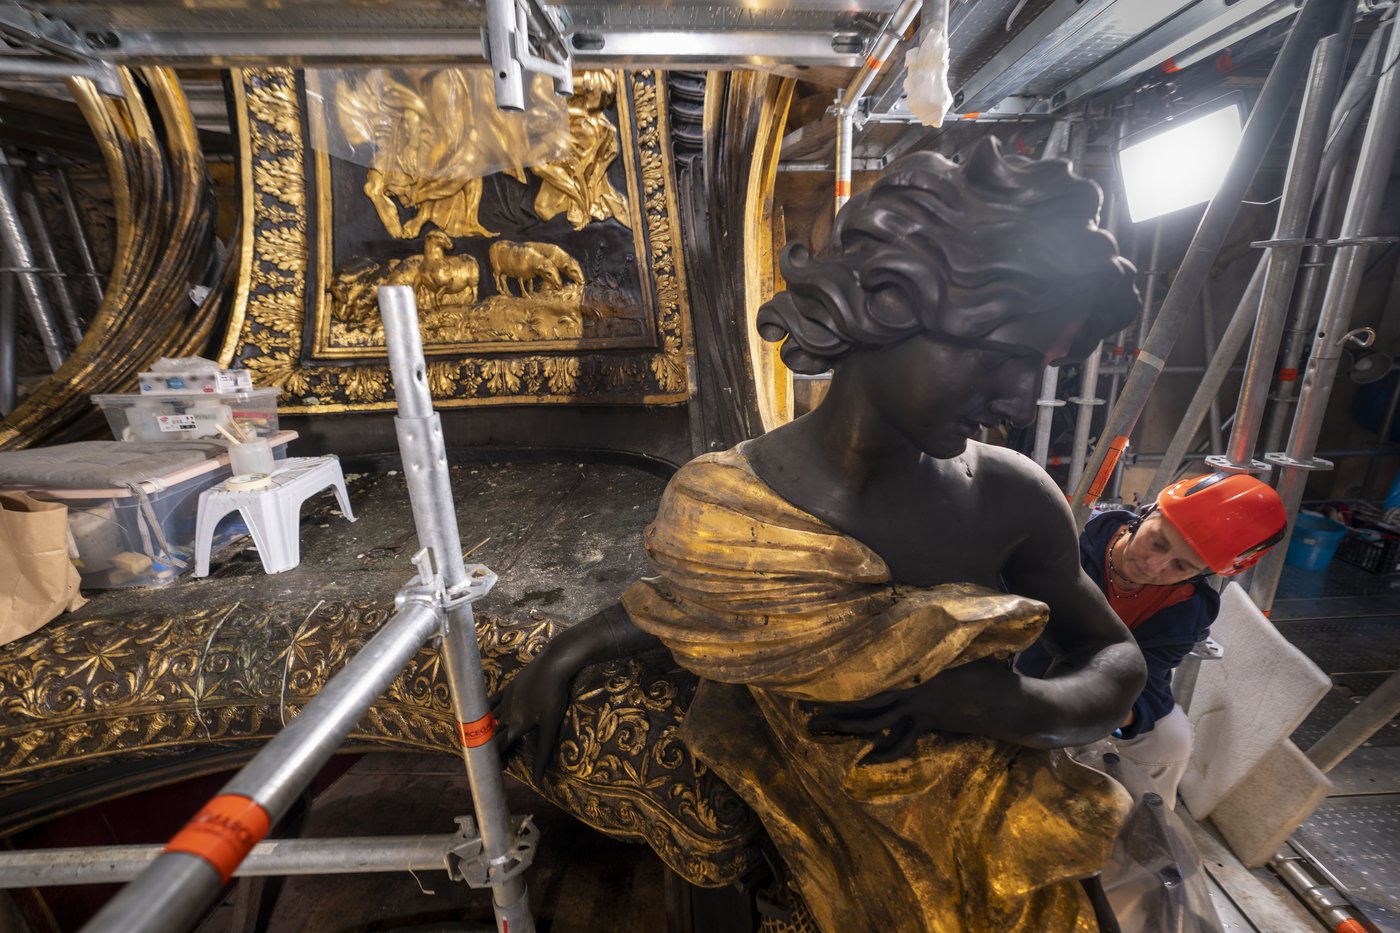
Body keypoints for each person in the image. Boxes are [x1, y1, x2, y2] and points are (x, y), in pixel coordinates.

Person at [496, 137, 1146, 932]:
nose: (1018, 397)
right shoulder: (725, 502)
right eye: (998, 356)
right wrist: (566, 652)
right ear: (886, 309)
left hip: (1000, 858)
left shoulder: (1010, 498)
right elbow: (710, 607)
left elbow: (1117, 661)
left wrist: (998, 702)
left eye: (1041, 367)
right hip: (809, 855)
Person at [1019, 472, 1287, 808]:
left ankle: (1145, 836)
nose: (1153, 565)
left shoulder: (1187, 609)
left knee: (1171, 740)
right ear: (1147, 513)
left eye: (1181, 566)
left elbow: (1145, 684)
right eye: (1158, 542)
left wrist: (1110, 712)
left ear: (1202, 573)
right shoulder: (1072, 533)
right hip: (1017, 672)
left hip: (1096, 693)